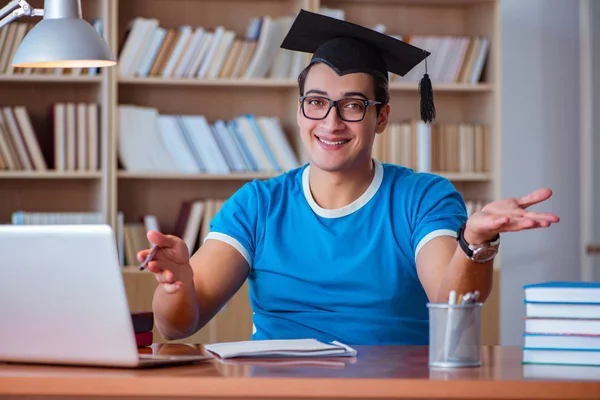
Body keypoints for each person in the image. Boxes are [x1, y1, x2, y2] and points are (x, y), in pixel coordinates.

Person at [137, 10, 560, 345]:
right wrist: (177, 285)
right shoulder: (258, 205)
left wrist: (475, 243)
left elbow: (450, 302)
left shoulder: (422, 198)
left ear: (381, 118)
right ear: (300, 109)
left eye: (353, 105)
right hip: (278, 390)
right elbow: (176, 328)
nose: (331, 122)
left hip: (395, 391)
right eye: (316, 102)